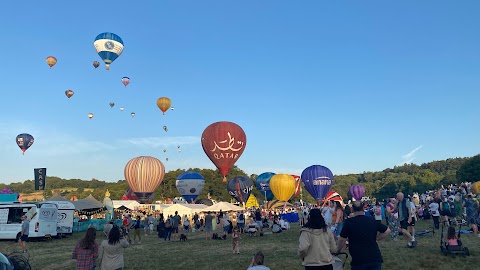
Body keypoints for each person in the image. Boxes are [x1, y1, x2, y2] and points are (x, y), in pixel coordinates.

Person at [337, 201, 390, 270]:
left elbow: (342, 239)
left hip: (358, 259)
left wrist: (338, 250)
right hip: (374, 257)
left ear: (352, 209)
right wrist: (376, 239)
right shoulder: (371, 220)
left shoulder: (349, 222)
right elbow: (387, 231)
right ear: (363, 208)